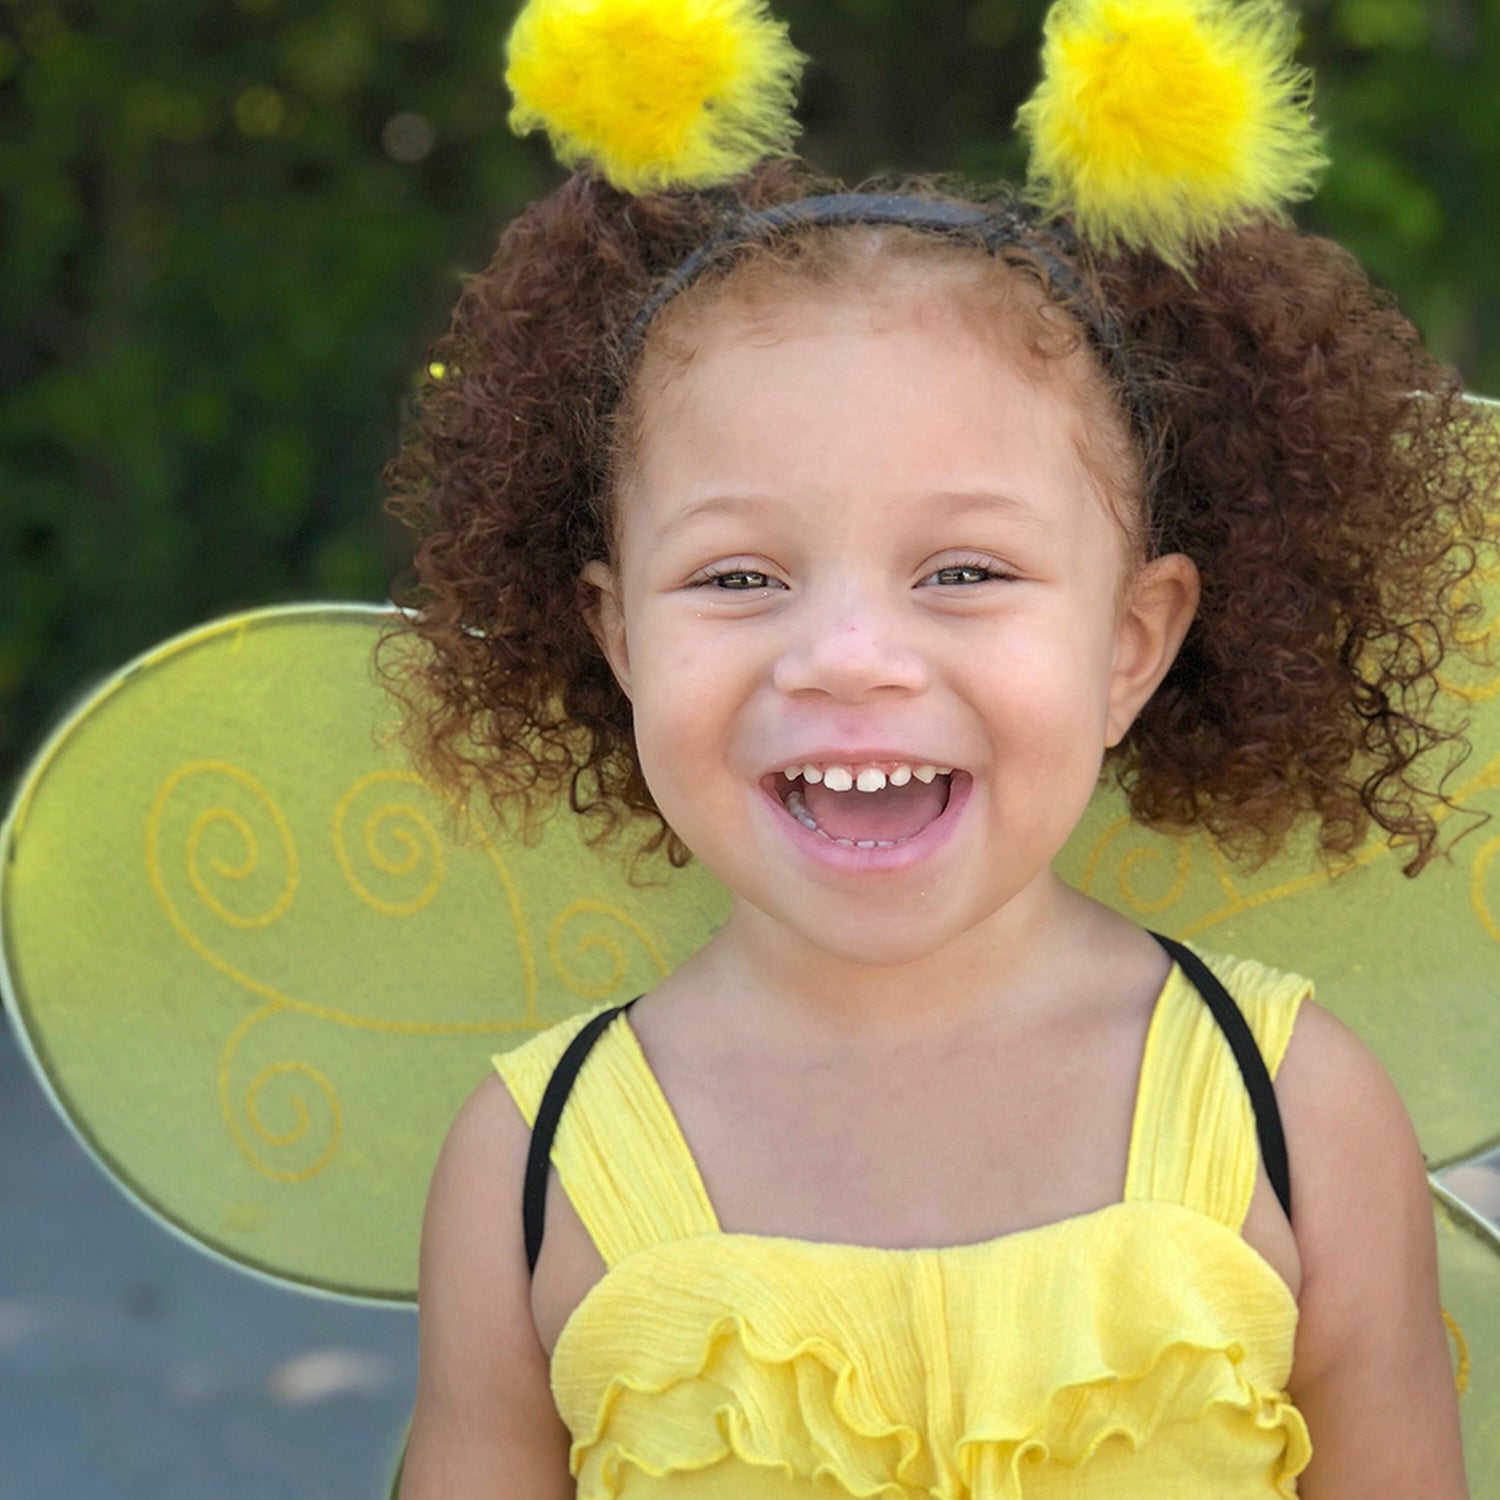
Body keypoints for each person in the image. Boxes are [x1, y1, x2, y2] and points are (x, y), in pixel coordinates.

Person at [388, 0, 1493, 1493]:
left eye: (964, 570)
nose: (850, 654)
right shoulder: (529, 1165)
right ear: (621, 637)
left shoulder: (1295, 1116)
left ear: (1131, 644)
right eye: (738, 576)